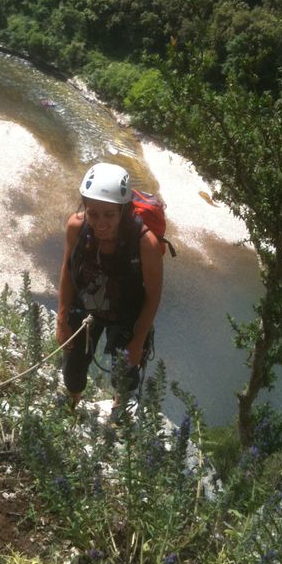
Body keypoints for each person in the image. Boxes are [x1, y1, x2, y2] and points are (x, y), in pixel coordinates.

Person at [56, 162, 163, 411]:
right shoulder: (76, 226)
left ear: (123, 211)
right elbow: (67, 270)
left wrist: (137, 341)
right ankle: (71, 404)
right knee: (73, 366)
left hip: (126, 315)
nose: (100, 223)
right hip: (86, 308)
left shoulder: (146, 243)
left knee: (124, 375)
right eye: (93, 213)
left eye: (109, 215)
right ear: (85, 207)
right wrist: (62, 318)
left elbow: (153, 297)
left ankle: (119, 410)